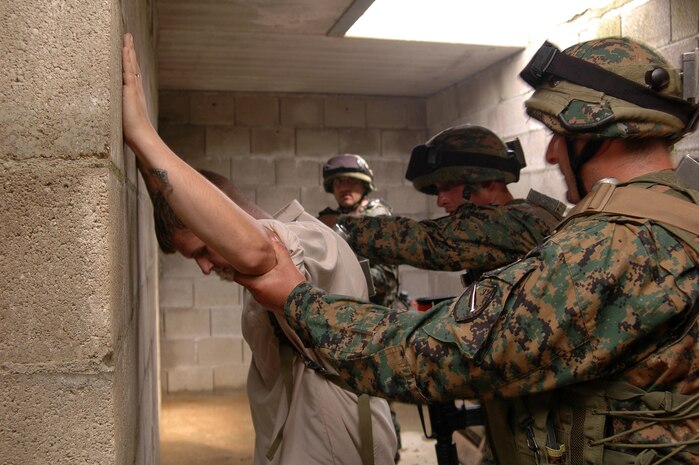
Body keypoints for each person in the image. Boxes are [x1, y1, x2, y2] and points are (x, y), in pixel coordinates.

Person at [235, 37, 699, 465]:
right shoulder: (671, 214)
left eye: (560, 134)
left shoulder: (613, 242)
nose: (551, 153)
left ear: (604, 131)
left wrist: (298, 300)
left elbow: (442, 355)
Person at [122, 33, 397, 465]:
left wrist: (143, 133)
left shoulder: (307, 240)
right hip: (301, 430)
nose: (207, 267)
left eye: (202, 251)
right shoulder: (273, 242)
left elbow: (256, 250)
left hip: (335, 436)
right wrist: (142, 153)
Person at [334, 125, 565, 275]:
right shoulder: (522, 218)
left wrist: (338, 226)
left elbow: (428, 242)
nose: (441, 201)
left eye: (447, 187)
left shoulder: (514, 223)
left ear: (485, 181)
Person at [318, 154, 402, 310]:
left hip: (377, 312)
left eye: (351, 180)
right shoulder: (327, 220)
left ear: (364, 185)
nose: (343, 187)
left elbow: (385, 279)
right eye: (338, 182)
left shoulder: (378, 219)